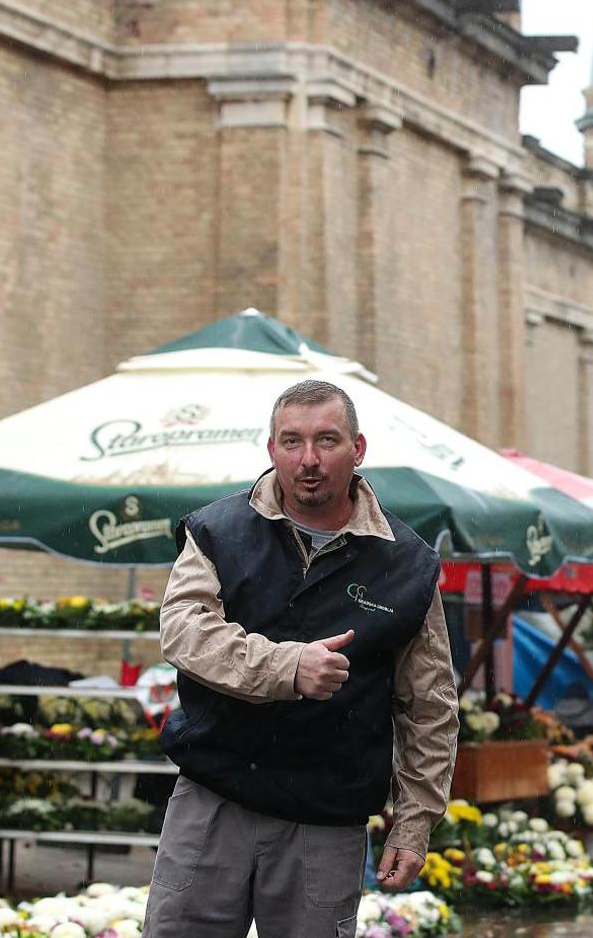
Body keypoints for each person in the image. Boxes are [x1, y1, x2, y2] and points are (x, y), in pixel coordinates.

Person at [145, 379, 458, 938]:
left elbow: (429, 705)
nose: (308, 459)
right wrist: (287, 668)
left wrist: (414, 823)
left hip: (325, 818)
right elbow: (184, 631)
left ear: (358, 450)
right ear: (272, 449)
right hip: (213, 798)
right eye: (292, 441)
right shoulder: (217, 530)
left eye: (326, 441)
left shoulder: (406, 565)